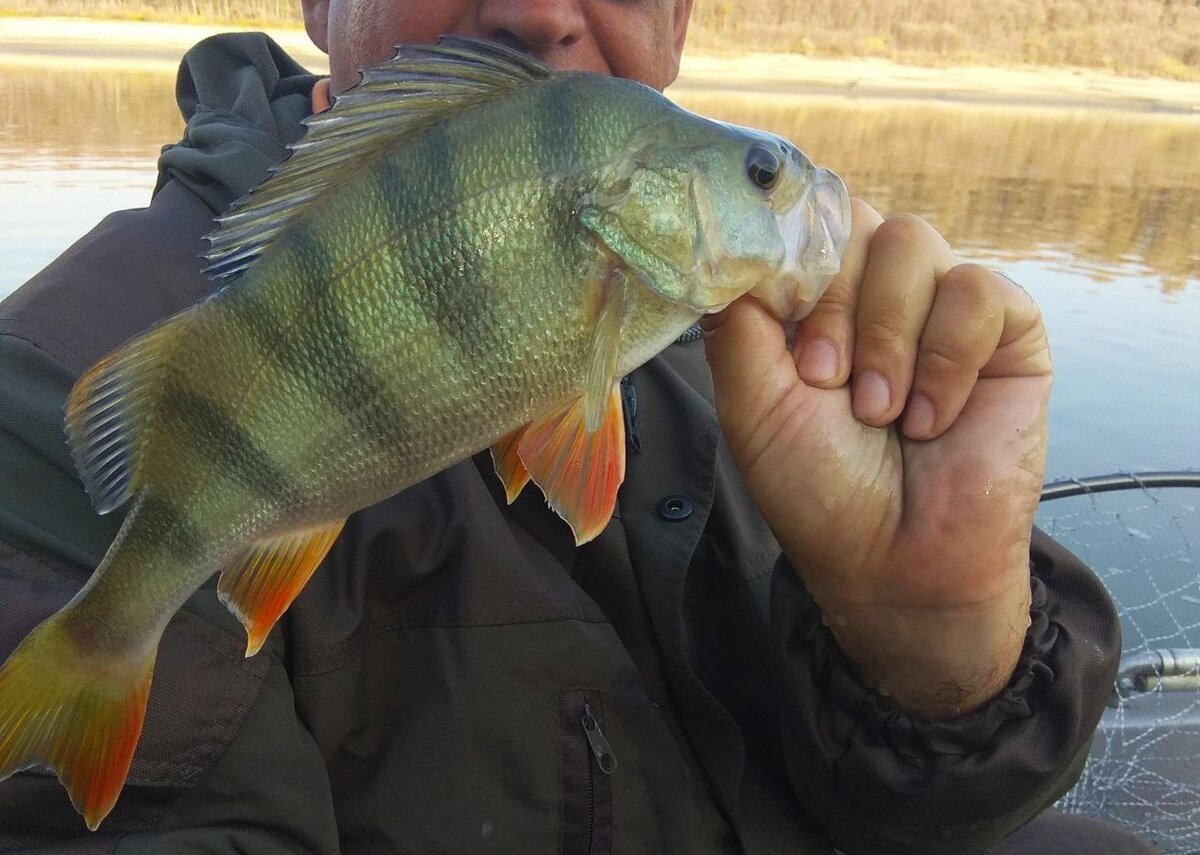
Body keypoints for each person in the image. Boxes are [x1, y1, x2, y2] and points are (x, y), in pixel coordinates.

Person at [0, 1, 1152, 852]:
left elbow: (934, 814)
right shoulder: (62, 365)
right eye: (753, 176)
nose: (541, 9)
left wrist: (938, 649)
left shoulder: (777, 355)